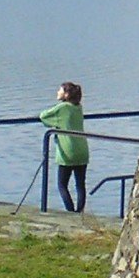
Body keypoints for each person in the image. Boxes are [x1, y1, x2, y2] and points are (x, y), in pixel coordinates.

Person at [38, 81, 88, 213]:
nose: (57, 92)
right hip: (82, 149)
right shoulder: (78, 107)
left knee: (62, 184)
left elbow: (43, 116)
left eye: (59, 90)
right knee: (80, 184)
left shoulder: (63, 108)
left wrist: (54, 123)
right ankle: (80, 211)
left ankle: (70, 211)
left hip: (68, 151)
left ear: (66, 94)